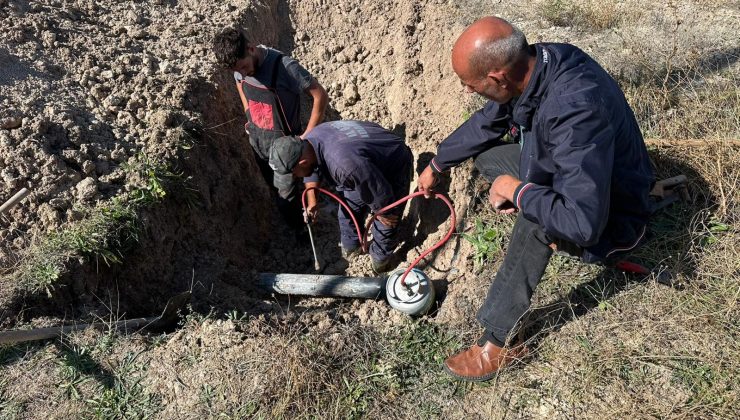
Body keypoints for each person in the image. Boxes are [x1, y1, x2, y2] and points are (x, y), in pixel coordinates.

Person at [417, 17, 654, 381]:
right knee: (489, 157)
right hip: (577, 174)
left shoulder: (575, 110)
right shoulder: (537, 65)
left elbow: (584, 222)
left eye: (472, 85)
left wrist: (519, 191)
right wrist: (438, 162)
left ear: (497, 78)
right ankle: (537, 201)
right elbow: (488, 122)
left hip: (613, 213)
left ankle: (498, 341)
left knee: (535, 221)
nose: (468, 92)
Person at [212, 27, 329, 231]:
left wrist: (307, 137)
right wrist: (249, 115)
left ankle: (301, 232)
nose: (242, 73)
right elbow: (241, 85)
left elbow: (320, 95)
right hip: (259, 143)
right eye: (237, 71)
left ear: (250, 48)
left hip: (285, 150)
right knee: (274, 189)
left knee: (286, 199)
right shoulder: (239, 68)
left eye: (244, 67)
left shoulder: (284, 66)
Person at [268, 120, 413, 273]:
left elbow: (379, 191)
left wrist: (385, 211)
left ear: (302, 162)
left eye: (293, 172)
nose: (294, 177)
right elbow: (313, 170)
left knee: (386, 220)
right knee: (347, 211)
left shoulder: (344, 166)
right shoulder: (309, 142)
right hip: (362, 161)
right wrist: (312, 202)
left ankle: (380, 264)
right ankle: (352, 249)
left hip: (393, 161)